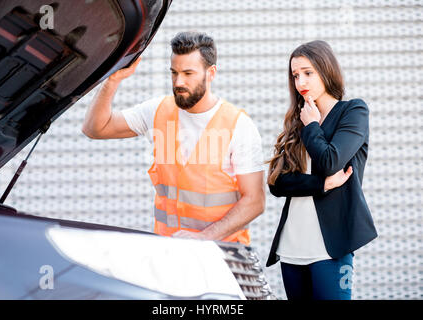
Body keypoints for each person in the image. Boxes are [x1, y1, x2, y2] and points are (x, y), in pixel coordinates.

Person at [82, 31, 265, 245]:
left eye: (188, 73)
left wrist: (203, 238)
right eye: (174, 72)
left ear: (211, 73)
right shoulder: (158, 110)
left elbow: (255, 201)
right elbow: (94, 128)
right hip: (170, 250)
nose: (178, 81)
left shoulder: (239, 125)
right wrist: (112, 79)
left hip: (223, 253)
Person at [266, 40, 377, 300]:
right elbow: (277, 183)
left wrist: (313, 126)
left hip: (331, 248)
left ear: (326, 70)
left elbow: (330, 161)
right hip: (292, 247)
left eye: (308, 72)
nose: (300, 81)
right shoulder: (299, 120)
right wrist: (322, 185)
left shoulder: (353, 111)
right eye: (295, 75)